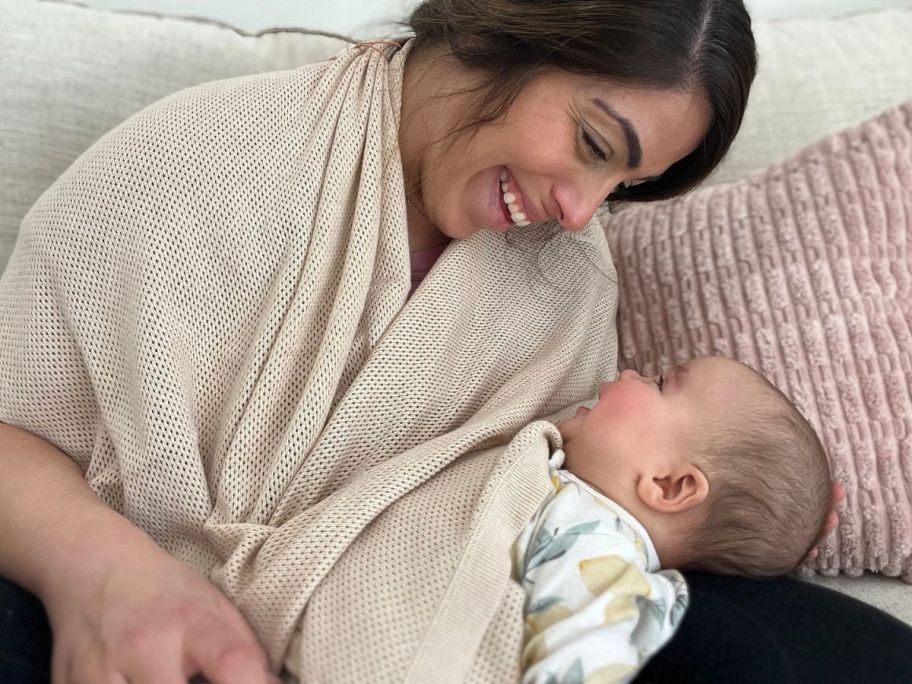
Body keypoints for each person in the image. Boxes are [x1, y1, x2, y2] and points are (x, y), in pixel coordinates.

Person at [0, 1, 907, 683]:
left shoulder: (569, 276)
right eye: (593, 142)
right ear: (506, 27)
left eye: (623, 184)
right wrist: (106, 569)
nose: (583, 212)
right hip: (106, 603)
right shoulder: (196, 160)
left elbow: (561, 510)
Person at [515, 356, 831, 683]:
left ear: (669, 486)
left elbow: (580, 663)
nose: (629, 372)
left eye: (660, 383)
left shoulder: (593, 548)